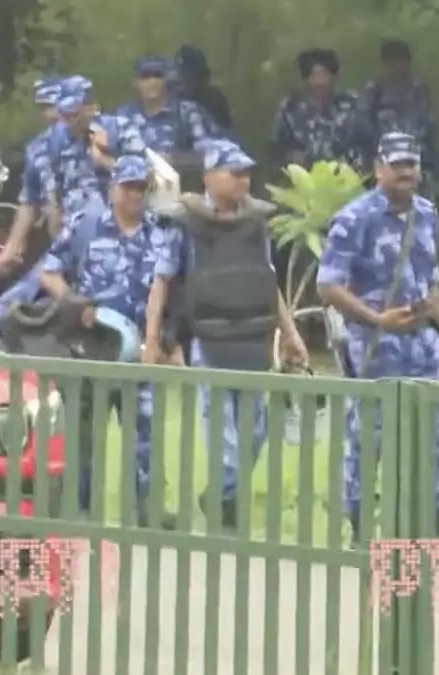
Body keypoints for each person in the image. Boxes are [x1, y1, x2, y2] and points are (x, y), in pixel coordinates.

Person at [144, 139, 307, 530]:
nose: (243, 180)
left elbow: (268, 280)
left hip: (253, 338)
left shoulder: (255, 221)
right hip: (209, 339)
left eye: (247, 173)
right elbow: (161, 282)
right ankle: (226, 509)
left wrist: (291, 333)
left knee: (256, 432)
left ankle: (219, 494)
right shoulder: (186, 221)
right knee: (226, 439)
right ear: (209, 177)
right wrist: (153, 339)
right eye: (234, 173)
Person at [316, 132, 439, 539]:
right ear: (378, 168)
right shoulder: (355, 218)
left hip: (423, 344)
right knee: (368, 444)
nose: (405, 173)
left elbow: (431, 282)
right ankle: (362, 534)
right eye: (397, 165)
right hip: (373, 346)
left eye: (411, 165)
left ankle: (434, 534)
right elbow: (328, 286)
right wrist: (377, 319)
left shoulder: (427, 214)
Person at [37, 154, 177, 529]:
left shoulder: (159, 231)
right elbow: (48, 272)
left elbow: (166, 290)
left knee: (145, 433)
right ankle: (80, 509)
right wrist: (74, 303)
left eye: (141, 188)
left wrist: (161, 341)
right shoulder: (86, 226)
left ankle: (144, 509)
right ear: (113, 188)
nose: (134, 195)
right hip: (93, 346)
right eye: (128, 187)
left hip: (140, 350)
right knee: (85, 438)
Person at [41, 75, 147, 231]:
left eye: (75, 114)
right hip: (74, 227)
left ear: (91, 108)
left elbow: (145, 174)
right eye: (65, 115)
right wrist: (54, 212)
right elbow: (54, 184)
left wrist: (104, 159)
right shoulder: (56, 139)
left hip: (117, 226)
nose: (70, 120)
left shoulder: (119, 128)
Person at [0, 76, 64, 276]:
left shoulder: (95, 141)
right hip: (52, 243)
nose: (51, 112)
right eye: (45, 107)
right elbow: (29, 203)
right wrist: (12, 248)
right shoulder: (37, 148)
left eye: (55, 104)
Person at [355, 39, 438, 196]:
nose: (397, 68)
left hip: (418, 166)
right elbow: (363, 129)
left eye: (401, 62)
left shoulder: (419, 90)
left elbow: (429, 128)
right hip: (385, 166)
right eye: (392, 63)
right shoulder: (374, 91)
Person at [272, 48, 362, 169]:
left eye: (324, 75)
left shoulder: (351, 103)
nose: (320, 81)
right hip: (302, 178)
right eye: (314, 75)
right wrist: (291, 156)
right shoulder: (290, 106)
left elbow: (364, 142)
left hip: (345, 175)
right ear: (305, 78)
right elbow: (277, 147)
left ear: (334, 76)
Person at [115, 56, 215, 163]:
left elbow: (211, 154)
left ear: (166, 80)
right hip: (136, 176)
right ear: (135, 83)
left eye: (158, 76)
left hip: (179, 176)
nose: (152, 82)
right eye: (145, 77)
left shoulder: (187, 112)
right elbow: (111, 154)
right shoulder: (124, 115)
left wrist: (175, 160)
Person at [174, 45, 233, 136]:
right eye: (181, 73)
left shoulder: (214, 100)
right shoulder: (173, 96)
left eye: (187, 74)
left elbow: (225, 135)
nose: (182, 78)